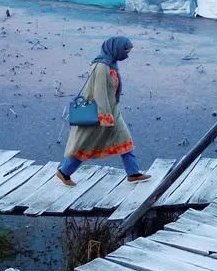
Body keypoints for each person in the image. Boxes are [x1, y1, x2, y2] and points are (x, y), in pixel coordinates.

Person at [56, 36, 151, 186]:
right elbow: (99, 92)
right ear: (116, 49)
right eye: (125, 51)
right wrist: (105, 116)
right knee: (85, 144)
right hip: (100, 113)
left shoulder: (111, 64)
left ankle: (133, 173)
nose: (127, 54)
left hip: (113, 111)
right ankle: (64, 172)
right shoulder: (101, 66)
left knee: (125, 140)